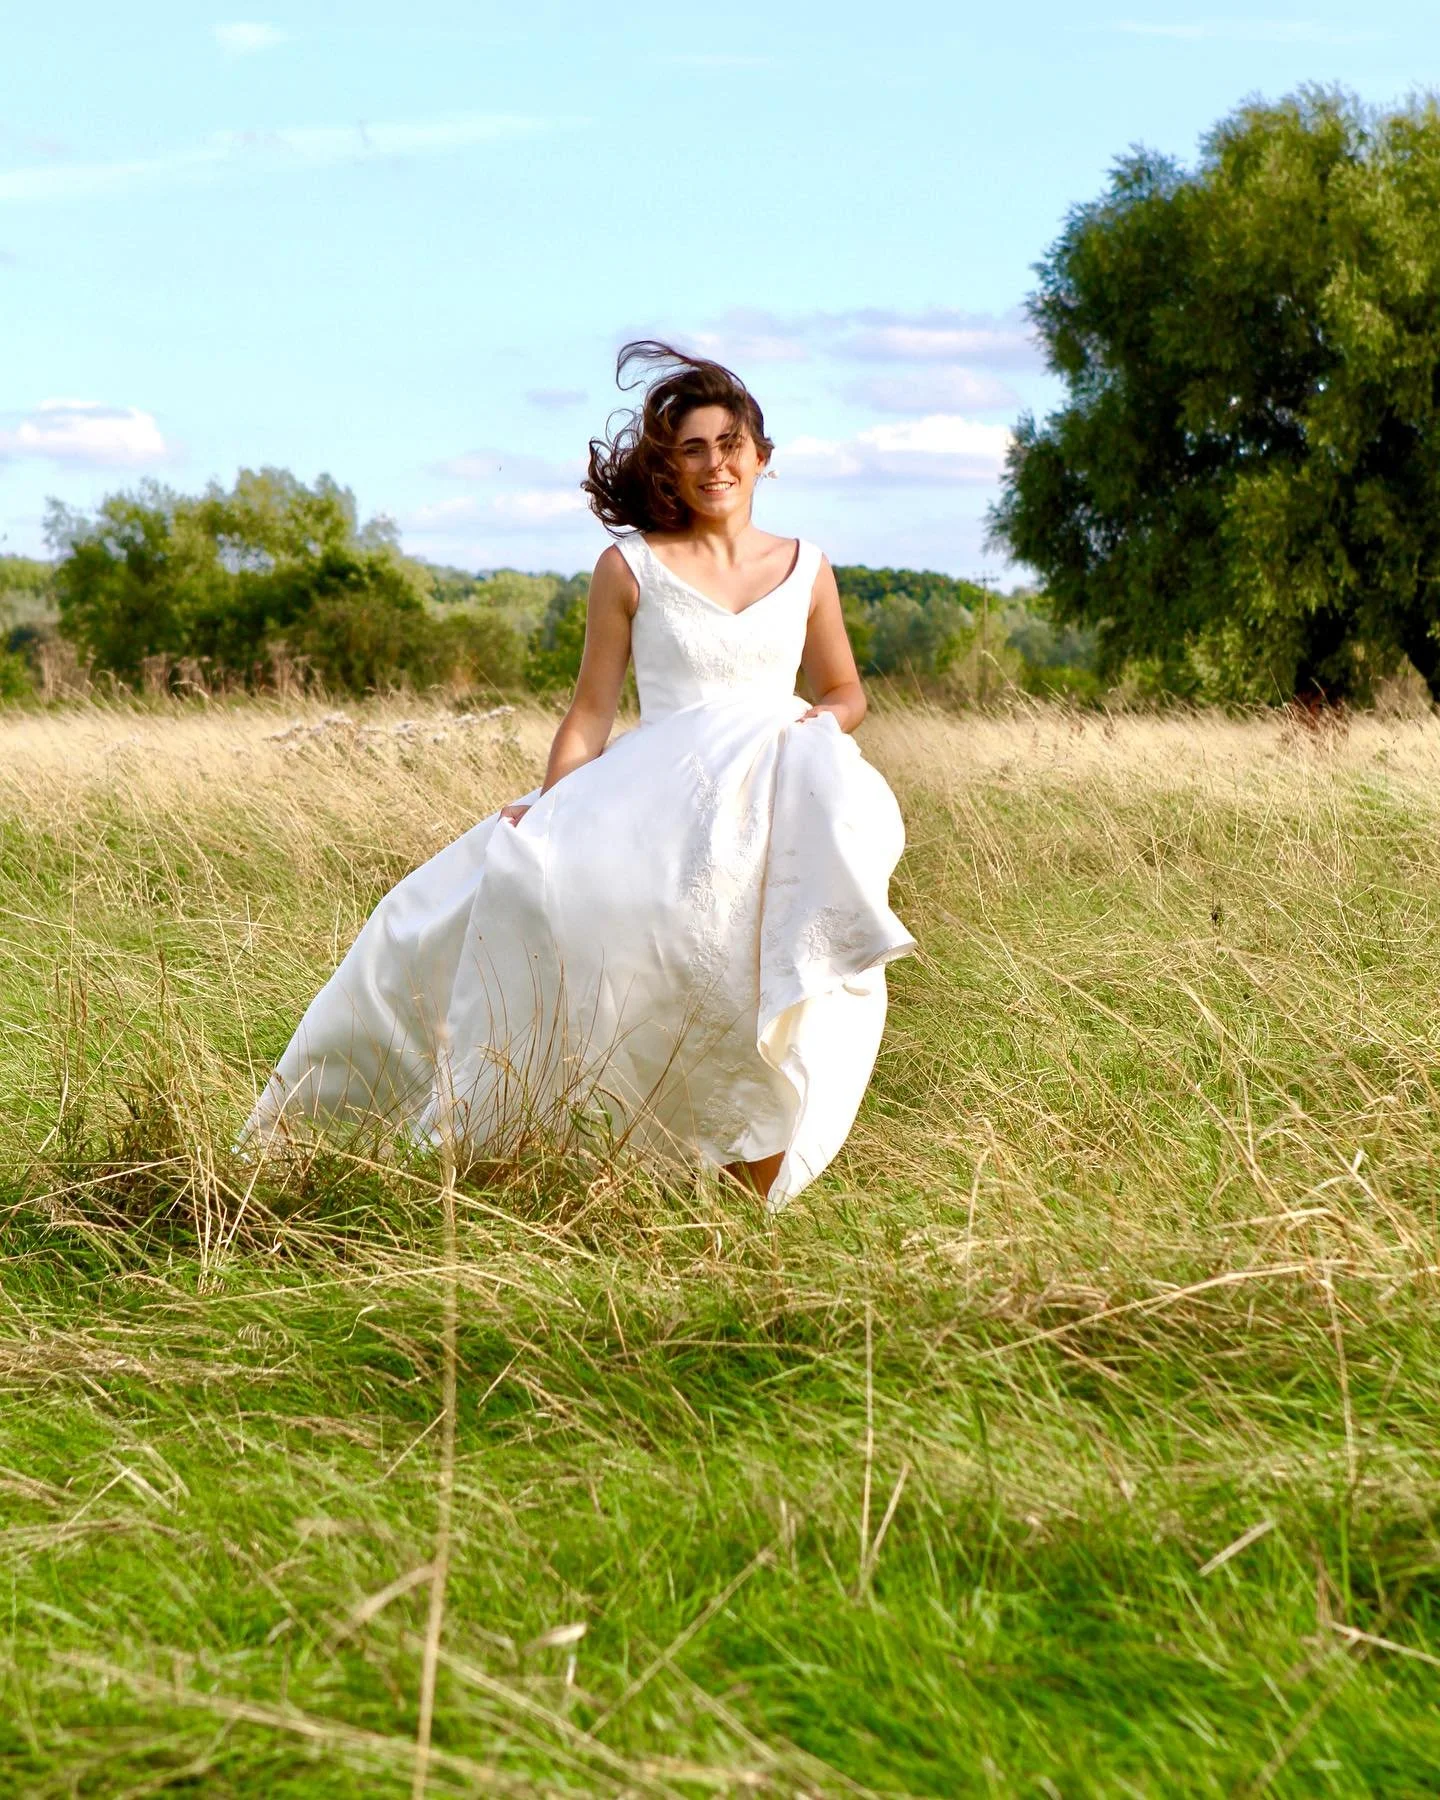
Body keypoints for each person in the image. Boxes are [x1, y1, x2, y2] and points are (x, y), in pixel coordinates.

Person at [239, 342, 915, 1208]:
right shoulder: (629, 568)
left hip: (776, 795)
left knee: (760, 976)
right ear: (671, 465)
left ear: (762, 456)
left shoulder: (807, 566)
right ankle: (484, 1140)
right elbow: (591, 713)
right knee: (469, 919)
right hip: (658, 793)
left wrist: (810, 731)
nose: (716, 463)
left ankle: (746, 1192)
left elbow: (845, 690)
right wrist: (552, 805)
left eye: (730, 444)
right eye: (694, 449)